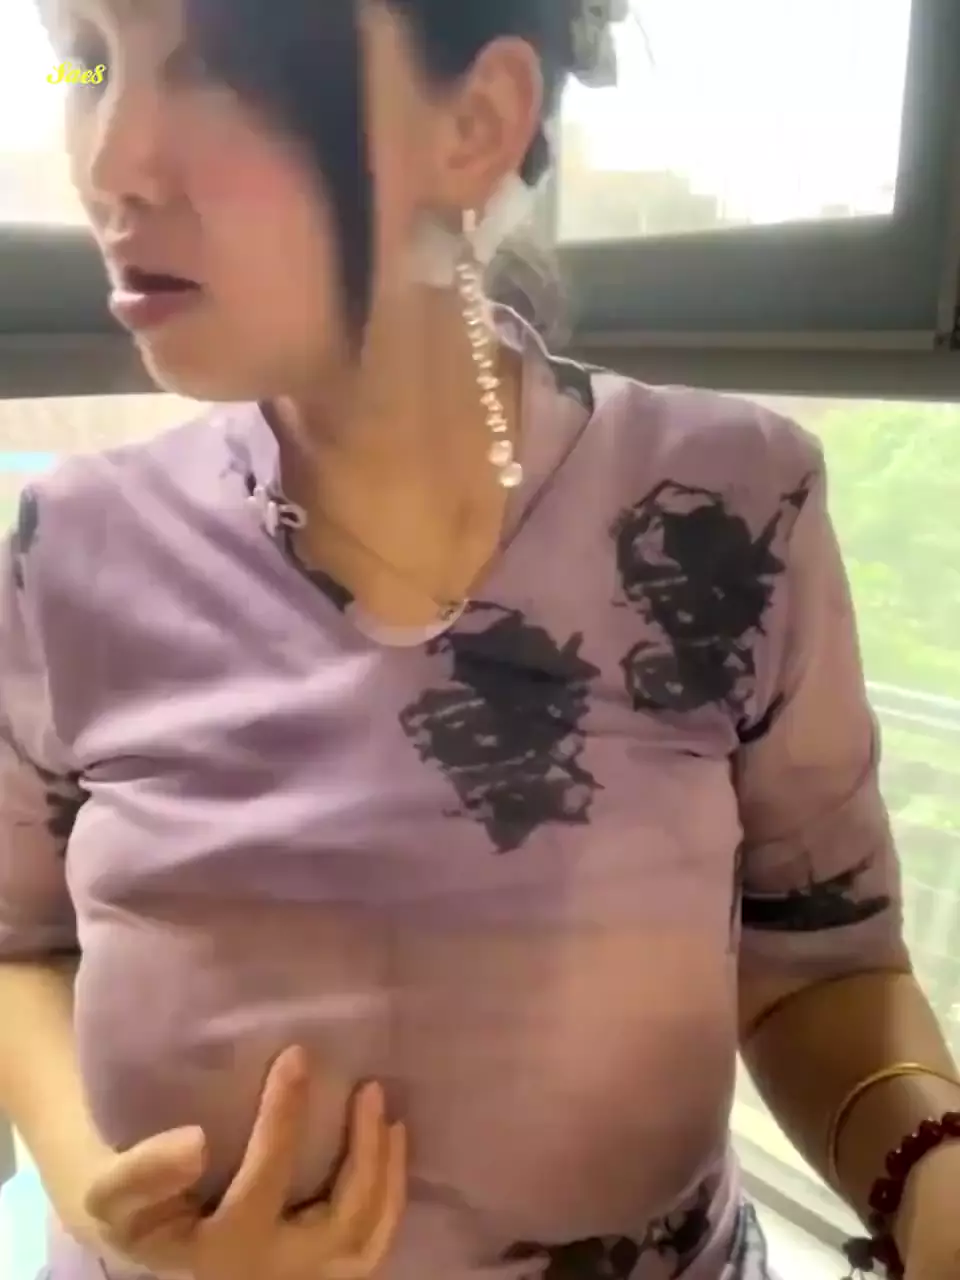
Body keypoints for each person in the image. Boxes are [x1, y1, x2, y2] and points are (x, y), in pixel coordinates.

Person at [0, 0, 958, 1278]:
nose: (113, 162)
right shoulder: (72, 546)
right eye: (84, 64)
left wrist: (931, 1174)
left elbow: (823, 965)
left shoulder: (724, 516)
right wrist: (103, 1197)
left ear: (478, 122)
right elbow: (15, 940)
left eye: (221, 67)